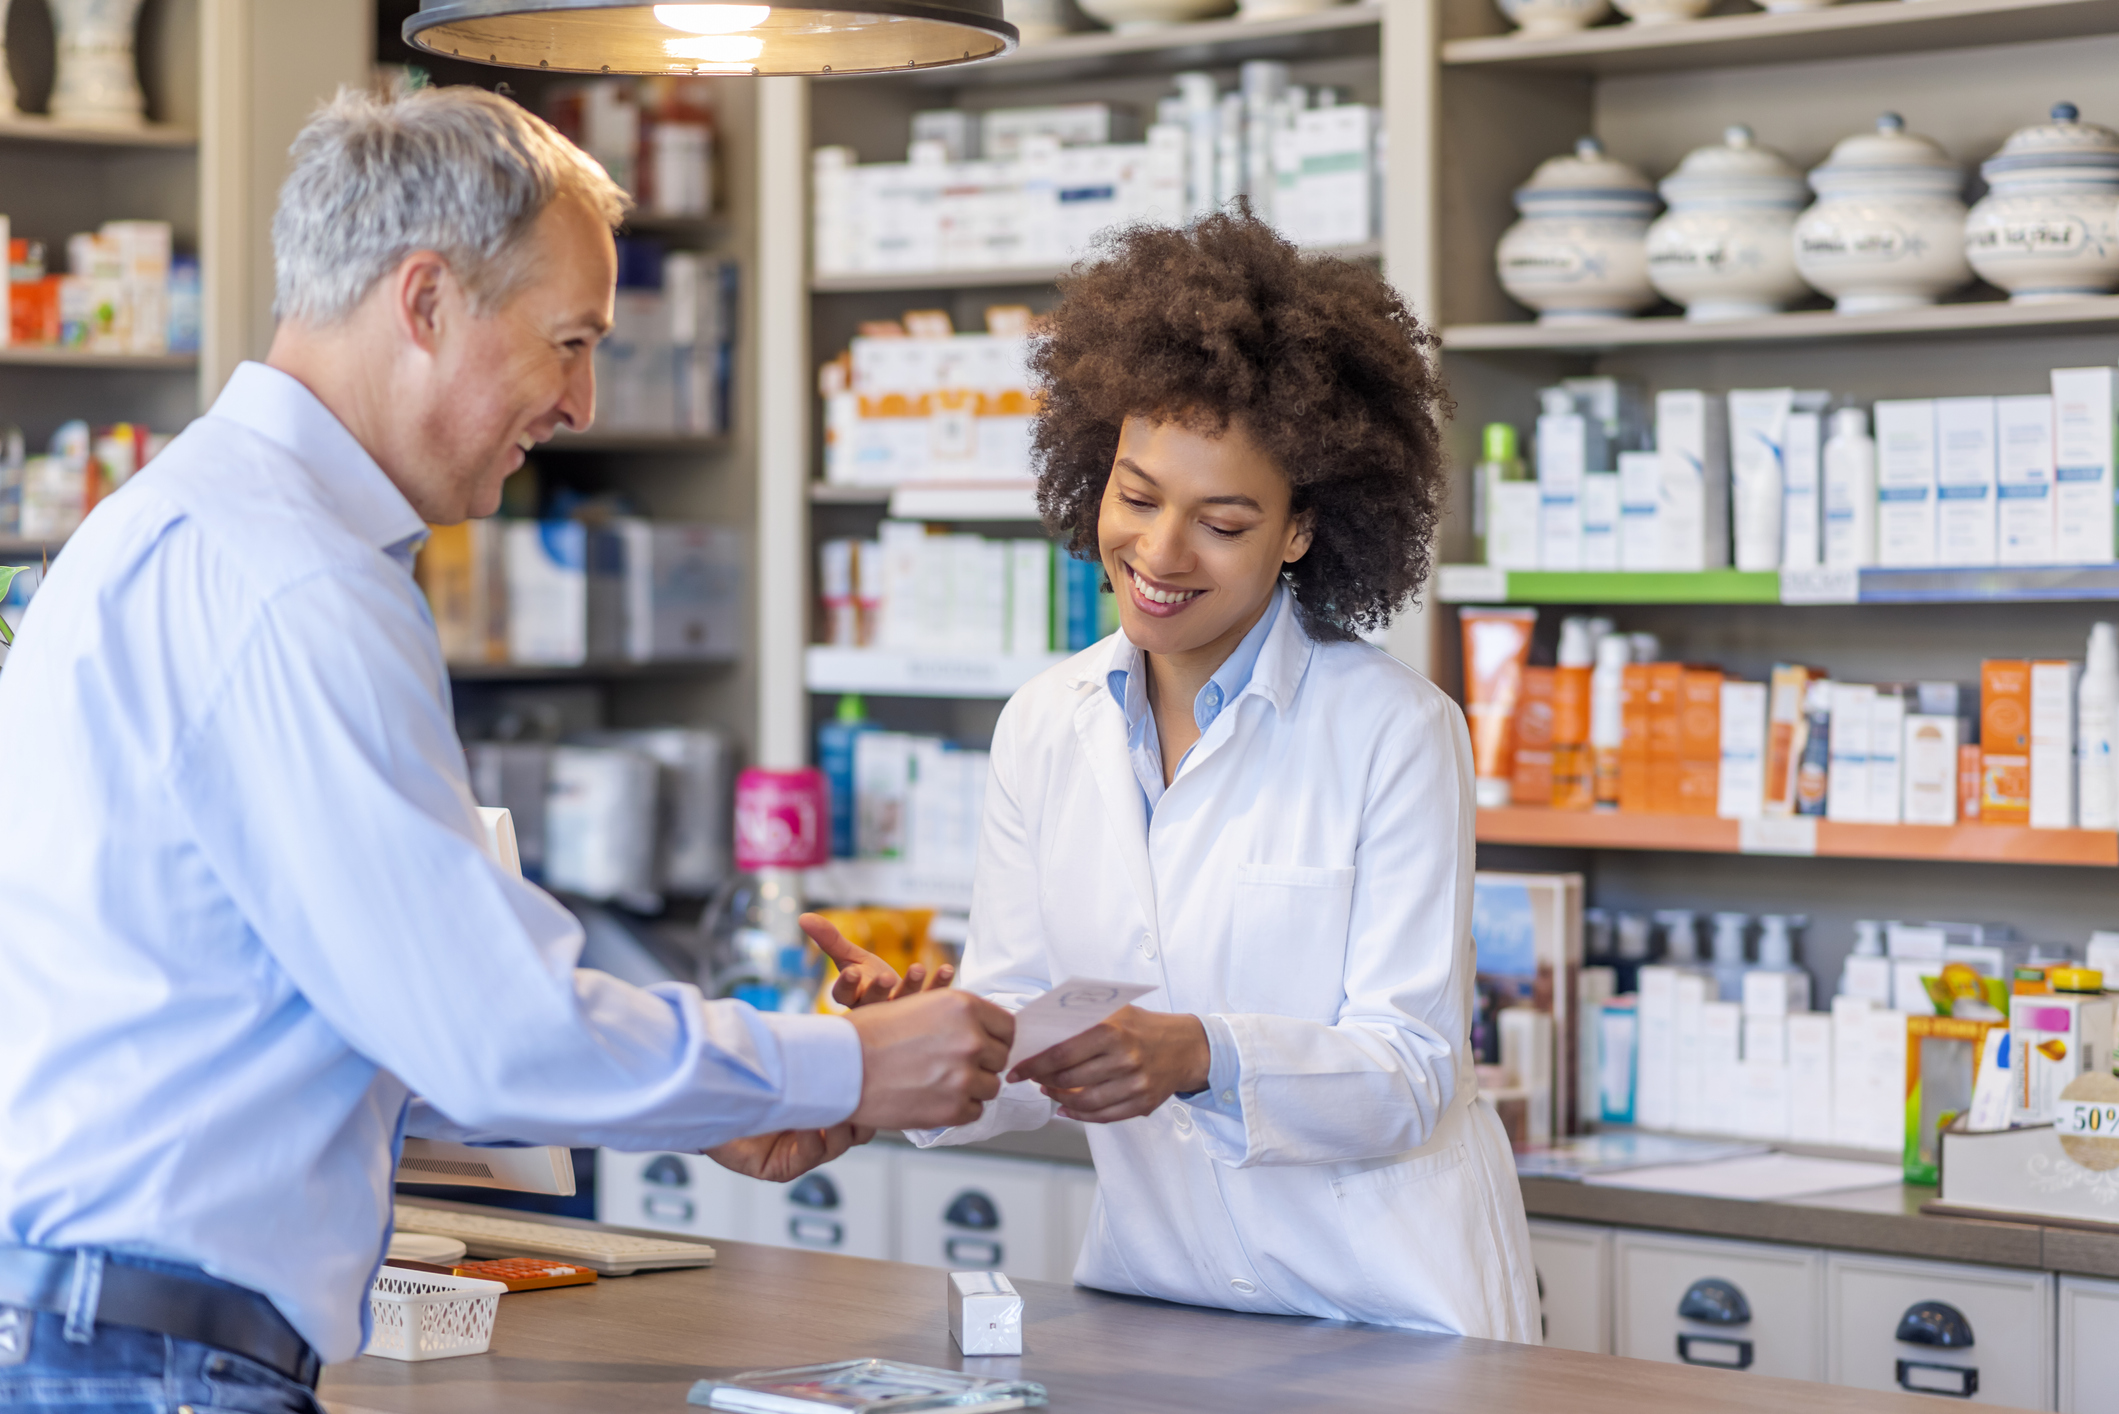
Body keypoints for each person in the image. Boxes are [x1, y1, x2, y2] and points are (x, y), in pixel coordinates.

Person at [0, 86, 1011, 1413]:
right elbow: (484, 1025)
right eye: (568, 342)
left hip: (98, 1334)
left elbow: (367, 1025)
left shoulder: (185, 526)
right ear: (426, 302)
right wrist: (852, 1063)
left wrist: (713, 1096)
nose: (582, 401)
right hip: (151, 1362)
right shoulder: (291, 579)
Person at [813, 211, 1540, 1341]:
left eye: (1223, 522)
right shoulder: (1043, 726)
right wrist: (930, 1033)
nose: (1158, 555)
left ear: (1299, 530)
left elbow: (1413, 1072)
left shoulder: (1395, 730)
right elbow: (1026, 1034)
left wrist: (1198, 1052)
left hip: (1387, 1312)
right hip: (1160, 1301)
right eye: (1137, 495)